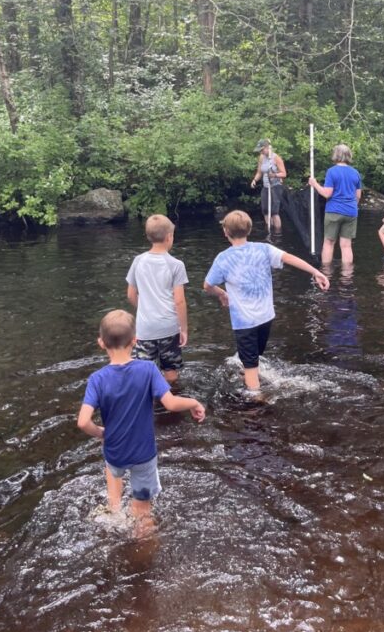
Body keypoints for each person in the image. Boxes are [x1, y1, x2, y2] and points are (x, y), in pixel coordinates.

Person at [77, 309, 205, 530]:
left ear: (101, 343)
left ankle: (114, 508)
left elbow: (82, 422)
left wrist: (101, 433)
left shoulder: (97, 379)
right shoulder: (148, 370)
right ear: (135, 341)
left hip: (115, 452)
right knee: (143, 510)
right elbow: (171, 404)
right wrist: (194, 402)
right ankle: (143, 542)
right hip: (143, 454)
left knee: (112, 469)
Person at [203, 209, 330, 392]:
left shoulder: (223, 259)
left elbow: (207, 286)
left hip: (244, 324)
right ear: (249, 229)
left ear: (225, 232)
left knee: (250, 367)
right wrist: (315, 272)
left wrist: (221, 293)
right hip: (266, 318)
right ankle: (252, 377)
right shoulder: (263, 249)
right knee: (253, 359)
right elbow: (289, 258)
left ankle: (257, 401)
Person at [126, 214, 188, 384]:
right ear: (169, 237)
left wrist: (144, 308)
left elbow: (130, 294)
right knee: (170, 370)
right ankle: (171, 397)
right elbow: (179, 301)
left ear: (148, 237)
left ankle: (150, 399)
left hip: (145, 328)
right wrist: (183, 329)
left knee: (145, 372)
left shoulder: (138, 261)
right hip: (169, 327)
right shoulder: (176, 264)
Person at [308, 143, 363, 265]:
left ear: (336, 155)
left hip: (334, 211)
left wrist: (315, 184)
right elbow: (358, 196)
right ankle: (347, 274)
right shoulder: (355, 172)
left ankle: (326, 272)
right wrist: (352, 206)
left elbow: (327, 194)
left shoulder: (332, 172)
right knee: (346, 245)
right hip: (351, 212)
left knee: (329, 242)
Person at [250, 138, 287, 233]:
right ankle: (269, 230)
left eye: (262, 150)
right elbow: (259, 172)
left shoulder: (276, 158)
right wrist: (254, 180)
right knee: (265, 210)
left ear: (267, 148)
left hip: (276, 186)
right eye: (260, 151)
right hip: (265, 186)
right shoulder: (261, 157)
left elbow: (284, 174)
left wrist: (274, 175)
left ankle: (277, 232)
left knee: (274, 212)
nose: (261, 152)